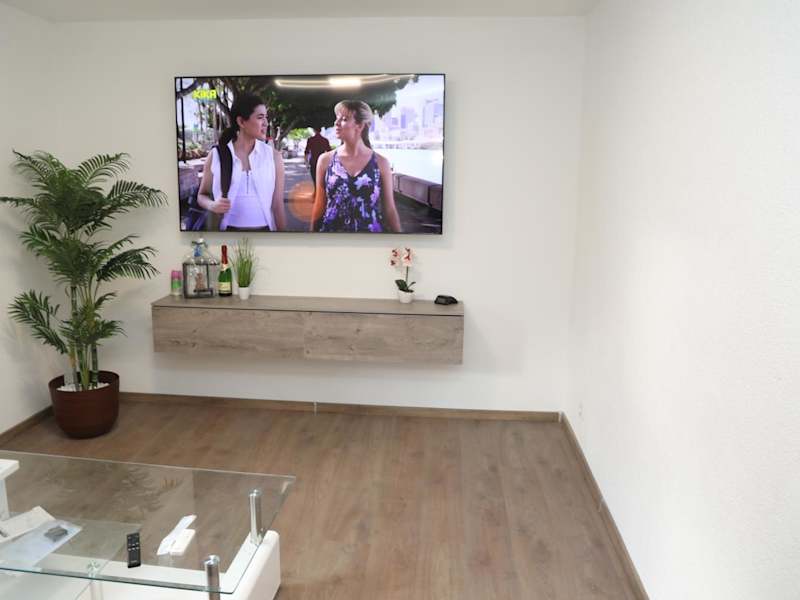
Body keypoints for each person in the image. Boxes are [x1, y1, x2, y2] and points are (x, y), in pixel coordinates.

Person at [197, 94, 286, 231]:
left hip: (266, 232)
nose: (266, 123)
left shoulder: (274, 157)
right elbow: (202, 195)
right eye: (260, 117)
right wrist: (212, 205)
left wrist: (284, 239)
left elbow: (278, 206)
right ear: (241, 122)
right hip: (228, 234)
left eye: (266, 117)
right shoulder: (216, 156)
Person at [310, 100, 402, 233]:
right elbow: (319, 205)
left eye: (344, 119)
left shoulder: (381, 163)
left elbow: (389, 210)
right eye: (337, 118)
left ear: (360, 125)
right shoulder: (325, 160)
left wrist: (400, 240)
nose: (336, 123)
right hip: (332, 237)